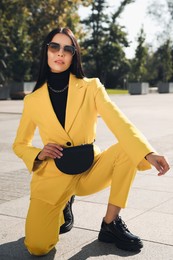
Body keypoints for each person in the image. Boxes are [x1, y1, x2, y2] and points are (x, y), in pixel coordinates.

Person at [13, 27, 170, 256]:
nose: (60, 53)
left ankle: (110, 223)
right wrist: (38, 153)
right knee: (37, 247)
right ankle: (62, 205)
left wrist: (148, 153)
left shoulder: (91, 87)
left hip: (90, 168)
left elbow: (118, 120)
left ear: (73, 55)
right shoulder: (33, 100)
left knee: (127, 150)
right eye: (54, 47)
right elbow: (19, 144)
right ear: (46, 51)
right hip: (53, 176)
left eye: (68, 49)